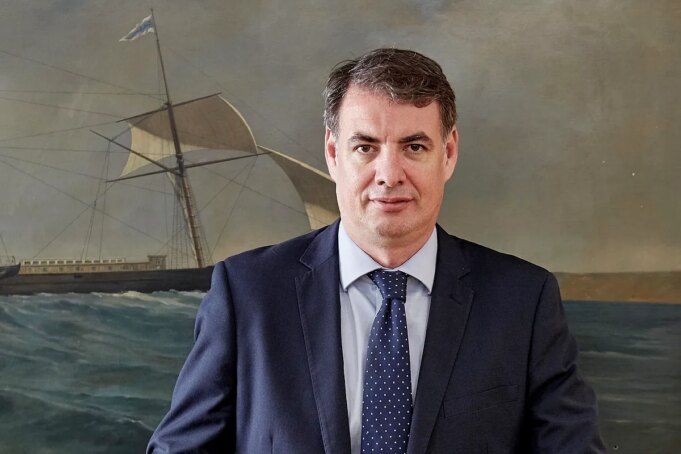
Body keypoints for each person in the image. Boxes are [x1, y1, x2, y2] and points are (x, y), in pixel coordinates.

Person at [147, 48, 605, 453]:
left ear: (448, 153)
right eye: (366, 147)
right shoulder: (248, 292)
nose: (389, 174)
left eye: (414, 146)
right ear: (333, 154)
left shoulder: (523, 301)